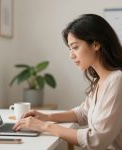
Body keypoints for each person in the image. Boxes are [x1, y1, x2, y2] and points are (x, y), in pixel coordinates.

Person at [13, 14, 122, 149]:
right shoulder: (101, 80)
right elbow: (83, 112)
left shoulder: (117, 80)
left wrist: (44, 126)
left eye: (75, 47)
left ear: (96, 44)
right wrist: (47, 117)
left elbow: (96, 140)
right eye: (70, 48)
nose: (71, 55)